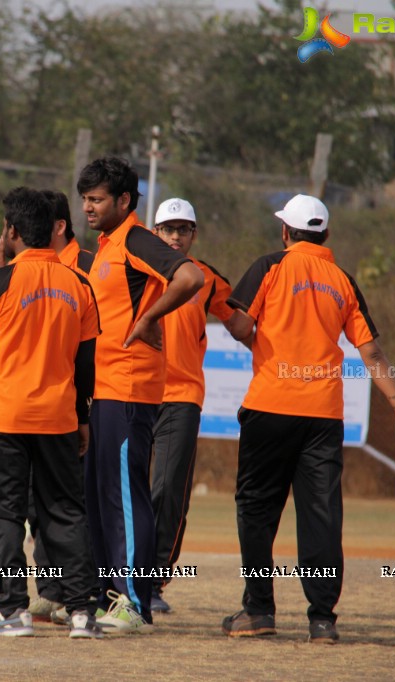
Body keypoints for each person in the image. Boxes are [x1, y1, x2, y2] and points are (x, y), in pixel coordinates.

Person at [223, 194, 395, 643]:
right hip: (322, 416)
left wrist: (256, 338)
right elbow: (369, 350)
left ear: (285, 232)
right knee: (320, 516)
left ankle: (258, 610)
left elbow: (238, 325)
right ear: (326, 236)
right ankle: (321, 620)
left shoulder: (270, 266)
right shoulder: (342, 279)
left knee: (256, 510)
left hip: (270, 407)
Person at [0, 187, 103, 639]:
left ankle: (13, 611)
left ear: (14, 232)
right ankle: (81, 613)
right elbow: (86, 364)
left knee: (2, 514)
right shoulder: (78, 283)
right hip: (58, 417)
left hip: (5, 419)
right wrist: (82, 418)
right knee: (65, 512)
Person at [77, 157, 203, 634]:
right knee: (105, 497)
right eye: (85, 199)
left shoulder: (135, 239)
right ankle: (117, 597)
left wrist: (148, 319)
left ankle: (134, 601)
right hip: (104, 390)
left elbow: (191, 278)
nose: (88, 207)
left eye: (97, 199)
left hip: (130, 388)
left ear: (124, 201)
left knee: (128, 498)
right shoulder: (107, 245)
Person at [148, 197, 240, 615]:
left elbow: (243, 322)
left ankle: (152, 581)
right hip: (133, 392)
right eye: (168, 229)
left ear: (193, 235)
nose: (175, 236)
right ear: (154, 233)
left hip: (182, 396)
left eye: (183, 229)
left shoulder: (204, 277)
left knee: (168, 491)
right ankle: (112, 577)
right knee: (122, 490)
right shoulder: (139, 270)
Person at [26, 189, 95, 623]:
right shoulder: (24, 268)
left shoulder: (85, 267)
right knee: (37, 507)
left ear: (56, 227)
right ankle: (49, 592)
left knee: (70, 505)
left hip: (77, 401)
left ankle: (80, 594)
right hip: (33, 401)